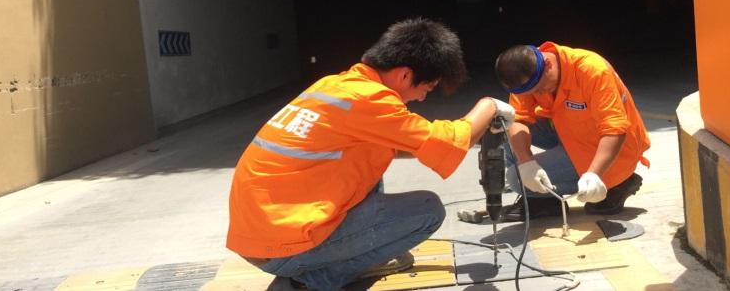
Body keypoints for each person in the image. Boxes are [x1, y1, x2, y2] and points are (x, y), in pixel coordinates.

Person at [227, 18, 515, 290]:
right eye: (426, 88)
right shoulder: (370, 99)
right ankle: (307, 283)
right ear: (405, 74)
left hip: (262, 232)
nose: (422, 98)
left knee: (374, 160)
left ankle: (346, 258)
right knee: (428, 211)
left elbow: (406, 144)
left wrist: (422, 147)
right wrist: (490, 105)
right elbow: (449, 142)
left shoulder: (337, 85)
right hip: (285, 245)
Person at [494, 42, 650, 219]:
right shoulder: (527, 77)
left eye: (540, 88)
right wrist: (526, 162)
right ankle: (542, 200)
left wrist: (594, 174)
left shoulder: (591, 70)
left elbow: (615, 129)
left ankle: (618, 183)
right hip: (567, 131)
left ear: (548, 64)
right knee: (502, 128)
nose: (539, 93)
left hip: (611, 148)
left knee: (515, 179)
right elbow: (518, 119)